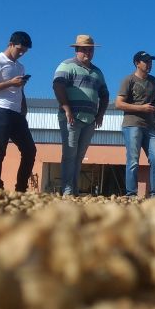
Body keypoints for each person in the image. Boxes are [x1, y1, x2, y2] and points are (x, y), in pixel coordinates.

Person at [0, 31, 36, 192]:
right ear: (11, 44)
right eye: (19, 49)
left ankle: (21, 189)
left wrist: (23, 106)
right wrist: (10, 83)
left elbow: (19, 89)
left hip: (16, 113)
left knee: (30, 150)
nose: (22, 53)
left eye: (25, 51)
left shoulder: (20, 67)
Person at [53, 34, 109, 196]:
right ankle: (67, 190)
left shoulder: (97, 72)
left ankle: (74, 189)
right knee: (69, 154)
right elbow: (57, 86)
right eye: (84, 50)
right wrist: (67, 109)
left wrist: (100, 114)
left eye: (90, 50)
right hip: (71, 117)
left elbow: (105, 94)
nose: (88, 53)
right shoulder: (66, 66)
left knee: (79, 156)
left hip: (90, 119)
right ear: (76, 50)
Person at [115, 51, 155, 198]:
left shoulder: (154, 81)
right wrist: (141, 108)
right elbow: (118, 104)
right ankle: (131, 194)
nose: (149, 64)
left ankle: (154, 194)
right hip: (132, 125)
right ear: (137, 63)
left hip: (150, 126)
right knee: (133, 160)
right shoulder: (128, 80)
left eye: (150, 61)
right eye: (146, 61)